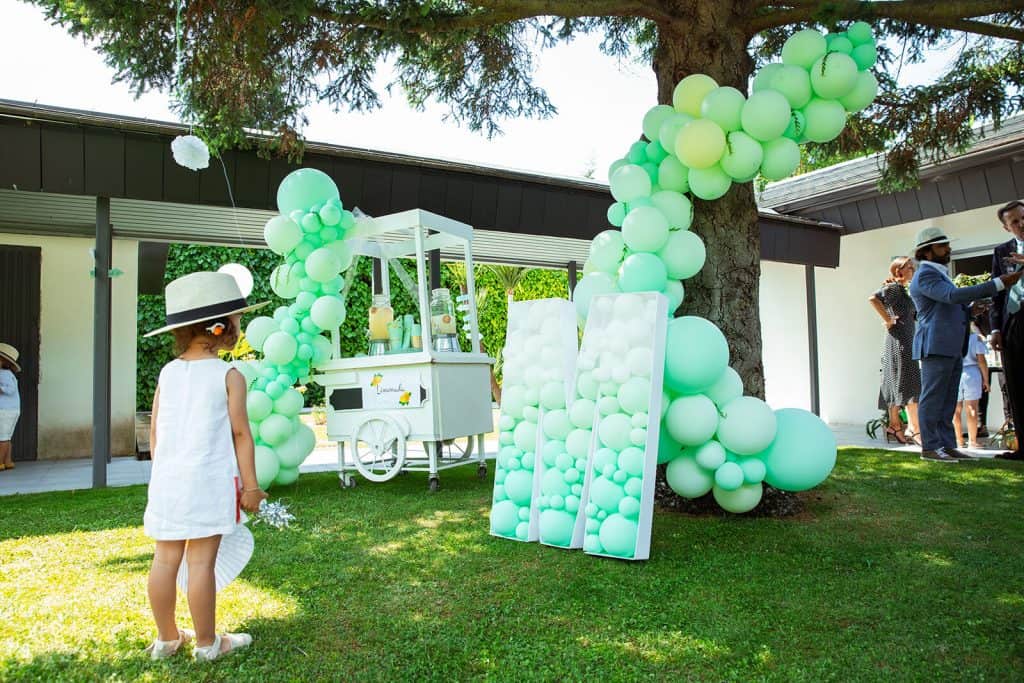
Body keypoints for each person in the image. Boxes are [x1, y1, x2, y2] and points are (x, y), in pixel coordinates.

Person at [141, 271, 269, 661]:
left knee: (164, 559)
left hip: (168, 481)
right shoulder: (230, 375)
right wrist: (250, 487)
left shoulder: (168, 373)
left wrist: (162, 473)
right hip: (208, 481)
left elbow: (155, 433)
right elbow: (241, 436)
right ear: (223, 328)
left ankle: (165, 639)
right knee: (200, 562)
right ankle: (207, 642)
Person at [908, 226, 1023, 463]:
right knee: (934, 398)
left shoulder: (938, 273)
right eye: (942, 246)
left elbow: (946, 308)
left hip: (948, 346)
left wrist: (971, 311)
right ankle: (930, 447)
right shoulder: (926, 274)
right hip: (935, 346)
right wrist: (998, 284)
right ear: (927, 252)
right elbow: (950, 297)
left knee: (948, 399)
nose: (948, 249)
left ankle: (947, 445)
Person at [868, 257, 921, 445]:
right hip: (901, 340)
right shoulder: (893, 288)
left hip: (903, 338)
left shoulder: (901, 289)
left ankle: (895, 426)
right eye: (909, 267)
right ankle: (915, 430)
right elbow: (873, 298)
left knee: (896, 380)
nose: (913, 269)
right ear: (899, 270)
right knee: (912, 382)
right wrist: (888, 320)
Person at [989, 199, 1024, 460]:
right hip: (1012, 324)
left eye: (1023, 218)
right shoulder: (1001, 252)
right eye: (1014, 221)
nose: (1021, 224)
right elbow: (996, 294)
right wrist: (995, 329)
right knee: (1017, 385)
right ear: (1006, 227)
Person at [954, 325, 989, 450]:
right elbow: (982, 361)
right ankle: (973, 441)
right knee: (972, 408)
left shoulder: (952, 338)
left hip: (956, 373)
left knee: (956, 409)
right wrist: (986, 380)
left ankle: (959, 440)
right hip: (972, 374)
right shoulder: (975, 339)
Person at [0, 343, 21, 470]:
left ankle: (0, 462)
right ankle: (7, 461)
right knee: (6, 436)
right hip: (11, 410)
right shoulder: (7, 374)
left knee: (2, 437)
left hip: (5, 410)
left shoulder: (3, 374)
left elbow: (10, 390)